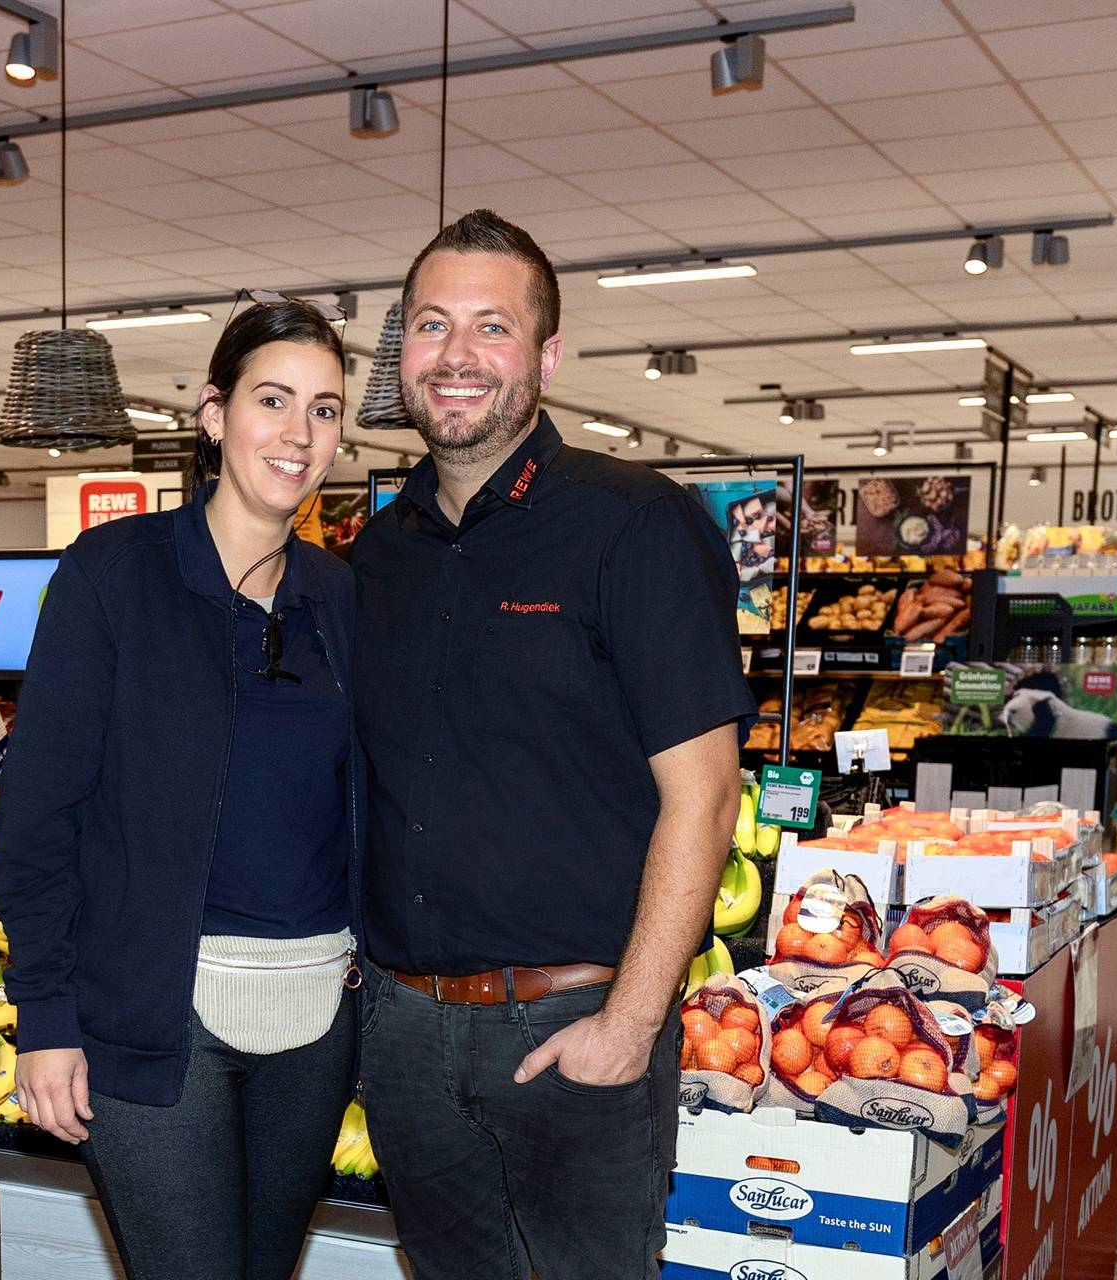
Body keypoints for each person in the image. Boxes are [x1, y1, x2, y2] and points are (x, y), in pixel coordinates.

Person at [348, 209, 752, 1279]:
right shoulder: (377, 554)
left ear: (547, 356)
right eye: (432, 325)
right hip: (402, 1029)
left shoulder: (635, 526)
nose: (458, 354)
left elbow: (705, 793)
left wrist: (631, 1019)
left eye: (492, 326)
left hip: (573, 1019)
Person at [0, 300, 362, 1280]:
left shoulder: (343, 597)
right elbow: (38, 813)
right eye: (272, 400)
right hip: (160, 1018)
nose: (298, 433)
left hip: (317, 1014)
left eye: (324, 410)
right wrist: (45, 1015)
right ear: (213, 412)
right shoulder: (116, 573)